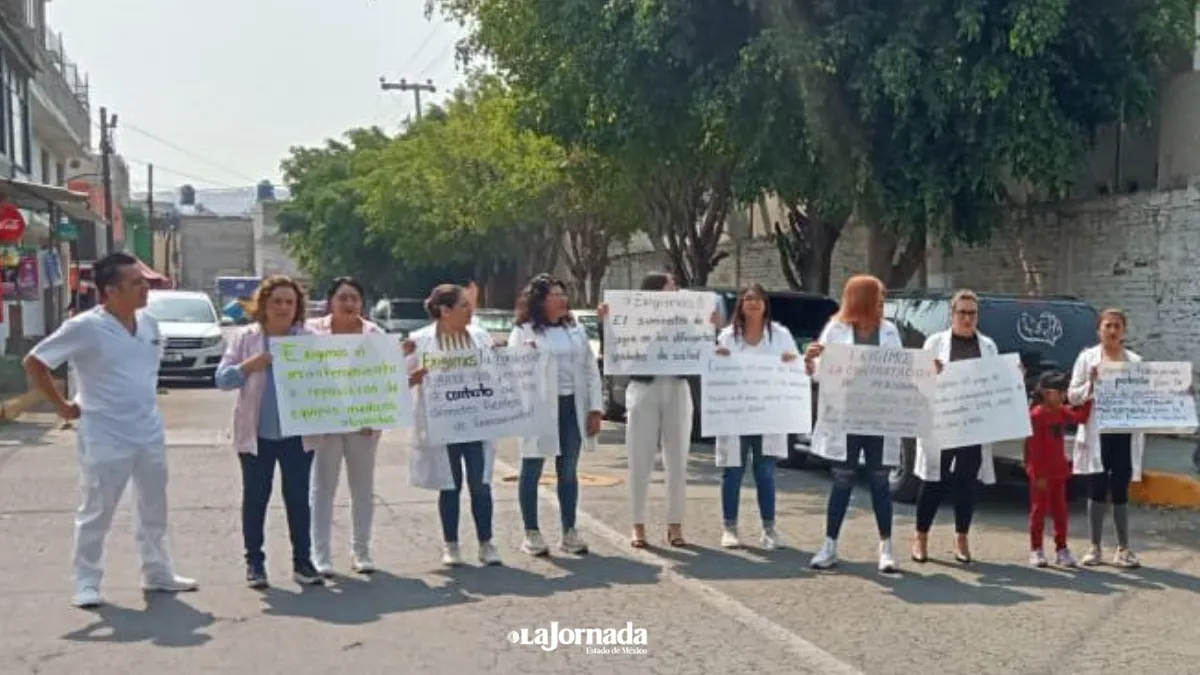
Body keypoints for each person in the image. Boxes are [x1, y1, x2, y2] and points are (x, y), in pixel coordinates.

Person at [23, 251, 198, 609]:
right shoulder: (85, 326)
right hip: (104, 431)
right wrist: (62, 406)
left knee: (154, 506)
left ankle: (157, 571)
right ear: (111, 290)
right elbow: (36, 362)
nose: (144, 289)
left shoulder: (150, 324)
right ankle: (87, 581)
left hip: (148, 429)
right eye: (136, 283)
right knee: (97, 508)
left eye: (144, 282)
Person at [596, 271, 721, 548]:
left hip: (677, 389)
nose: (675, 289)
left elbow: (703, 352)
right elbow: (615, 350)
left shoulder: (687, 318)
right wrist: (606, 320)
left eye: (676, 285)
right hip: (644, 390)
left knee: (677, 462)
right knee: (639, 460)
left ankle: (675, 524)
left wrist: (711, 327)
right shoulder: (636, 316)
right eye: (670, 285)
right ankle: (637, 524)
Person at [215, 275, 324, 589]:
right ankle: (255, 561)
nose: (283, 307)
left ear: (298, 307)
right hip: (257, 434)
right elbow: (222, 380)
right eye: (277, 301)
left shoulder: (309, 339)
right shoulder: (246, 338)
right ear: (263, 304)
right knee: (255, 498)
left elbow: (329, 382)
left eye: (290, 302)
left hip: (297, 435)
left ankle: (303, 561)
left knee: (298, 499)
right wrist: (249, 365)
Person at [804, 274, 905, 573]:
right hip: (846, 418)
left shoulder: (889, 331)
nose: (882, 303)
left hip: (878, 417)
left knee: (879, 481)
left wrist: (927, 370)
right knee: (843, 479)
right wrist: (811, 361)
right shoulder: (836, 329)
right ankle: (829, 545)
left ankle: (886, 547)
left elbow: (901, 372)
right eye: (878, 297)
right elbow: (822, 373)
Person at [407, 284, 503, 566]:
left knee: (481, 484)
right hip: (443, 426)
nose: (470, 311)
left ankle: (486, 543)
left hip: (477, 422)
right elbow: (398, 377)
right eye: (464, 306)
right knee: (450, 486)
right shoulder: (420, 341)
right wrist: (412, 378)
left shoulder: (480, 337)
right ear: (444, 310)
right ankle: (451, 545)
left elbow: (499, 371)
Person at [509, 274, 603, 556]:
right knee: (532, 469)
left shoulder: (574, 330)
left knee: (569, 470)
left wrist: (595, 407)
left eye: (564, 294)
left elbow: (589, 369)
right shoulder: (524, 332)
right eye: (555, 295)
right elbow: (516, 373)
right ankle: (532, 532)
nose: (563, 300)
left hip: (571, 406)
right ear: (540, 301)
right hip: (538, 409)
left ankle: (569, 531)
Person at [911, 289, 999, 564]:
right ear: (952, 314)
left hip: (972, 425)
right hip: (941, 423)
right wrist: (929, 372)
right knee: (933, 481)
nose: (967, 318)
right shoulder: (935, 343)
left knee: (967, 484)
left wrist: (1011, 377)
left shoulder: (987, 346)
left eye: (972, 313)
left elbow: (995, 383)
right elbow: (917, 381)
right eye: (962, 312)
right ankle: (920, 537)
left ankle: (961, 538)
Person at [306, 277, 384, 576]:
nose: (349, 304)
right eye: (343, 298)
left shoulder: (374, 334)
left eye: (354, 298)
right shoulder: (311, 333)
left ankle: (361, 551)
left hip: (363, 423)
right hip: (324, 422)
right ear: (330, 301)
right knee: (322, 488)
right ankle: (320, 554)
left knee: (362, 489)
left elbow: (385, 379)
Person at [714, 284, 798, 549]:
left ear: (765, 305)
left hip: (767, 414)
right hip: (735, 413)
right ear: (741, 304)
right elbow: (715, 371)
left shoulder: (781, 335)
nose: (753, 303)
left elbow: (795, 364)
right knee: (733, 471)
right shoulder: (728, 336)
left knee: (765, 472)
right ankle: (730, 527)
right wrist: (719, 358)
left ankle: (769, 528)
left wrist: (789, 360)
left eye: (758, 299)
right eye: (748, 299)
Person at [1067, 308, 1147, 568]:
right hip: (1097, 433)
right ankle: (1094, 547)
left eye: (1117, 326)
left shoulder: (1135, 362)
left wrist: (1178, 391)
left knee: (1121, 489)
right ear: (1098, 330)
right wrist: (1091, 384)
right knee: (1097, 488)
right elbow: (1072, 396)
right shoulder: (1087, 359)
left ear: (1124, 331)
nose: (1112, 331)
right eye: (1107, 326)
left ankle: (1123, 549)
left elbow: (1148, 396)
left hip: (1123, 434)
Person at [1027, 370, 1093, 567]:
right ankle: (1036, 549)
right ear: (1047, 393)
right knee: (1039, 511)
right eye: (1061, 392)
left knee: (1060, 511)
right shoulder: (1036, 415)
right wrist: (1037, 473)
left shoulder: (1061, 411)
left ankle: (1061, 548)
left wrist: (1090, 398)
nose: (1064, 396)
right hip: (1041, 473)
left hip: (1058, 471)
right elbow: (1032, 448)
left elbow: (1080, 417)